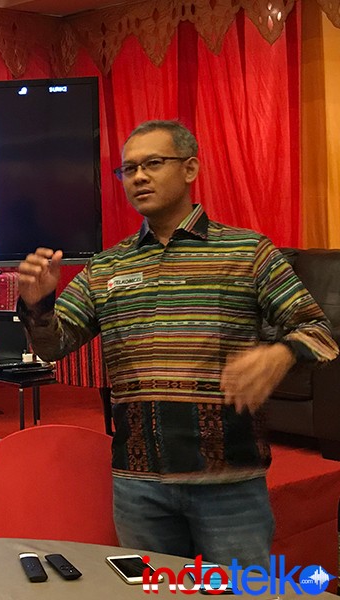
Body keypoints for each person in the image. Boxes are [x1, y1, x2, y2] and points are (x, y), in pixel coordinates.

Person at [17, 120, 339, 568]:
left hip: (229, 483)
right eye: (128, 169)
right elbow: (54, 345)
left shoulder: (247, 252)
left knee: (241, 595)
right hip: (139, 483)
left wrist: (282, 353)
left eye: (152, 163)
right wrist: (37, 304)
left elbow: (320, 332)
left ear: (190, 169)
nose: (138, 177)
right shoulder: (107, 266)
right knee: (152, 595)